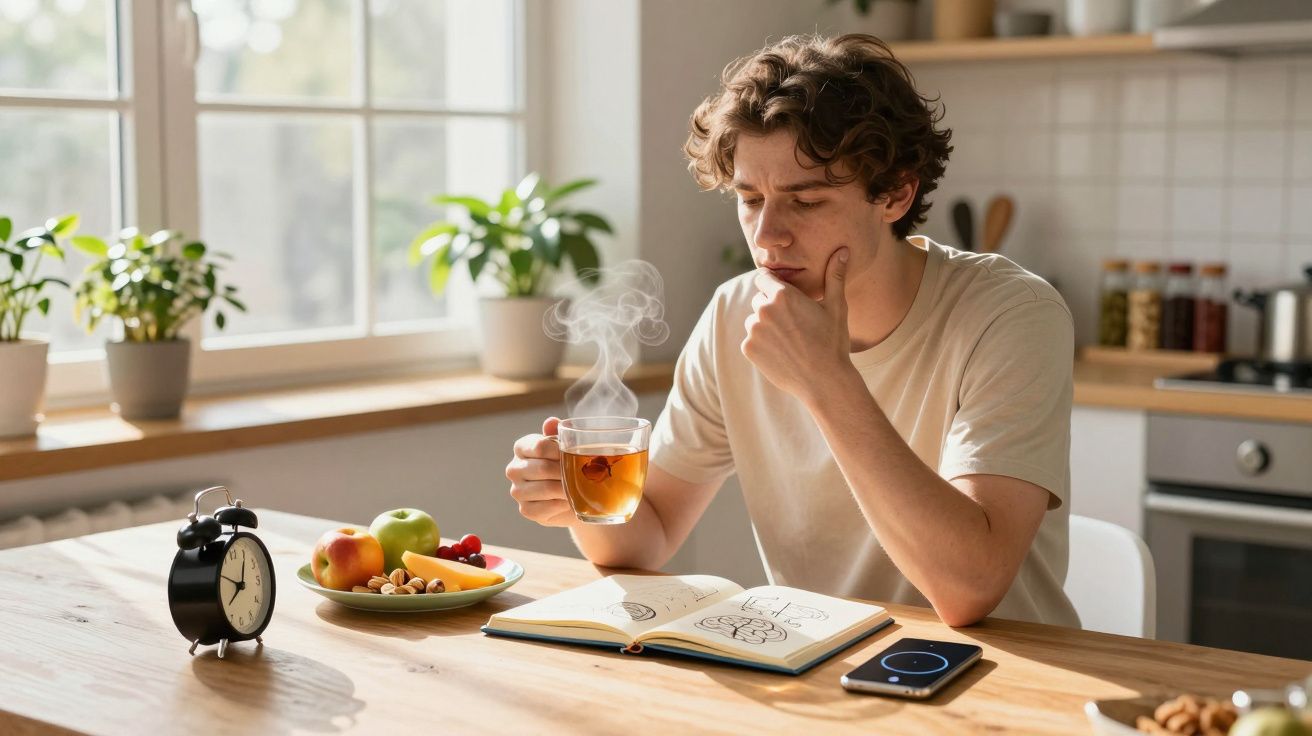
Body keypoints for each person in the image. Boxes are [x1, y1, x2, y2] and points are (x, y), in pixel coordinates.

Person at [506, 33, 1079, 628]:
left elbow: (969, 589)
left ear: (895, 193)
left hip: (1001, 678)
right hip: (821, 665)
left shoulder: (1011, 314)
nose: (767, 236)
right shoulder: (734, 315)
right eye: (750, 198)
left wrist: (827, 379)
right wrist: (576, 501)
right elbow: (647, 536)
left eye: (805, 202)